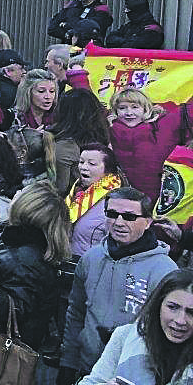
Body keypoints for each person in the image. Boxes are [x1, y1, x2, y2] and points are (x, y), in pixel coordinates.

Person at [62, 186, 179, 384]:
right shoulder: (91, 258)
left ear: (148, 222)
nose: (119, 222)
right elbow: (76, 313)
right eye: (112, 214)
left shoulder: (165, 270)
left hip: (131, 375)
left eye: (129, 217)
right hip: (86, 369)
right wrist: (67, 363)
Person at [0, 181, 71, 358]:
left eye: (22, 192)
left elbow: (16, 312)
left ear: (27, 206)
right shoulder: (7, 233)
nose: (16, 191)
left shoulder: (31, 259)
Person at [78, 268, 193, 385]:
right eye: (173, 307)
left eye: (191, 312)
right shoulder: (125, 335)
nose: (180, 320)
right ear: (158, 304)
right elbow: (91, 381)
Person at [109, 87, 192, 198]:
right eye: (122, 108)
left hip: (167, 199)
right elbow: (86, 102)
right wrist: (78, 76)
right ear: (115, 111)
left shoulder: (164, 124)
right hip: (130, 203)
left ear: (145, 109)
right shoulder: (109, 130)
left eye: (135, 107)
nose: (129, 112)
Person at [71, 144, 126, 256]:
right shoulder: (74, 192)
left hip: (92, 266)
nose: (84, 167)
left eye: (92, 164)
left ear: (108, 170)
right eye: (81, 162)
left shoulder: (117, 204)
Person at [49, 0, 114, 42]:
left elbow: (89, 30)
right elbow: (52, 28)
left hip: (89, 48)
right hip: (67, 46)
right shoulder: (72, 6)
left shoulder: (101, 9)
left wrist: (65, 25)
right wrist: (67, 34)